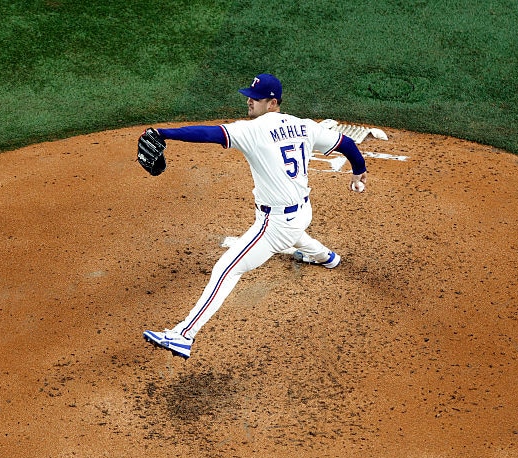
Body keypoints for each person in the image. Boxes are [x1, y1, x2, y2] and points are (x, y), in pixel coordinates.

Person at [142, 73, 368, 359]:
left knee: (226, 270)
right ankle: (327, 257)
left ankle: (183, 336)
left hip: (274, 225)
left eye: (255, 98)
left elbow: (210, 134)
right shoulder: (304, 126)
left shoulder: (254, 130)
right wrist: (359, 172)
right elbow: (347, 144)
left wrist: (164, 133)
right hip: (301, 212)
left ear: (272, 103)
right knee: (295, 234)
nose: (249, 101)